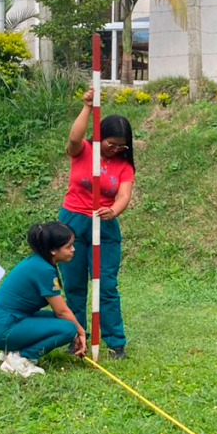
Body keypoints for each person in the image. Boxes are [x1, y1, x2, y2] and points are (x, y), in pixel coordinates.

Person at [59, 85, 134, 359]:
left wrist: (113, 211)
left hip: (104, 226)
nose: (115, 149)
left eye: (120, 145)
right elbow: (73, 137)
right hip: (71, 223)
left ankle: (115, 343)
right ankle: (76, 337)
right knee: (75, 284)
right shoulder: (84, 150)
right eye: (110, 143)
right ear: (100, 137)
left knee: (106, 286)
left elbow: (124, 195)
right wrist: (88, 107)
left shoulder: (124, 165)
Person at [0, 221, 86, 376]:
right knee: (68, 328)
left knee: (63, 322)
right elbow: (62, 312)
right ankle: (20, 358)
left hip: (3, 322)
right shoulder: (43, 269)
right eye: (68, 246)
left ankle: (12, 350)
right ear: (53, 250)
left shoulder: (37, 261)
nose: (73, 250)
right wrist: (80, 332)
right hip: (2, 329)